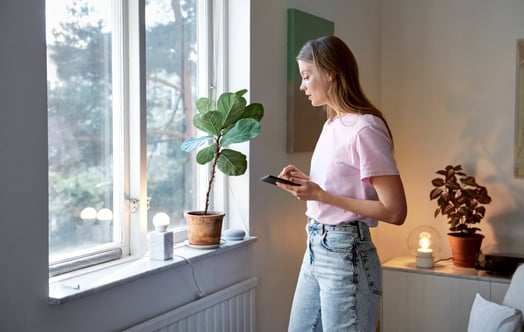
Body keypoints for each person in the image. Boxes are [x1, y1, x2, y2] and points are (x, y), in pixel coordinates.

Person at [277, 35, 407, 332]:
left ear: (330, 74)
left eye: (307, 76)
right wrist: (308, 185)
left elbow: (396, 211)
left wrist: (321, 194)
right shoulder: (332, 123)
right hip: (315, 246)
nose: (302, 86)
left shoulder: (366, 128)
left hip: (346, 253)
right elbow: (339, 189)